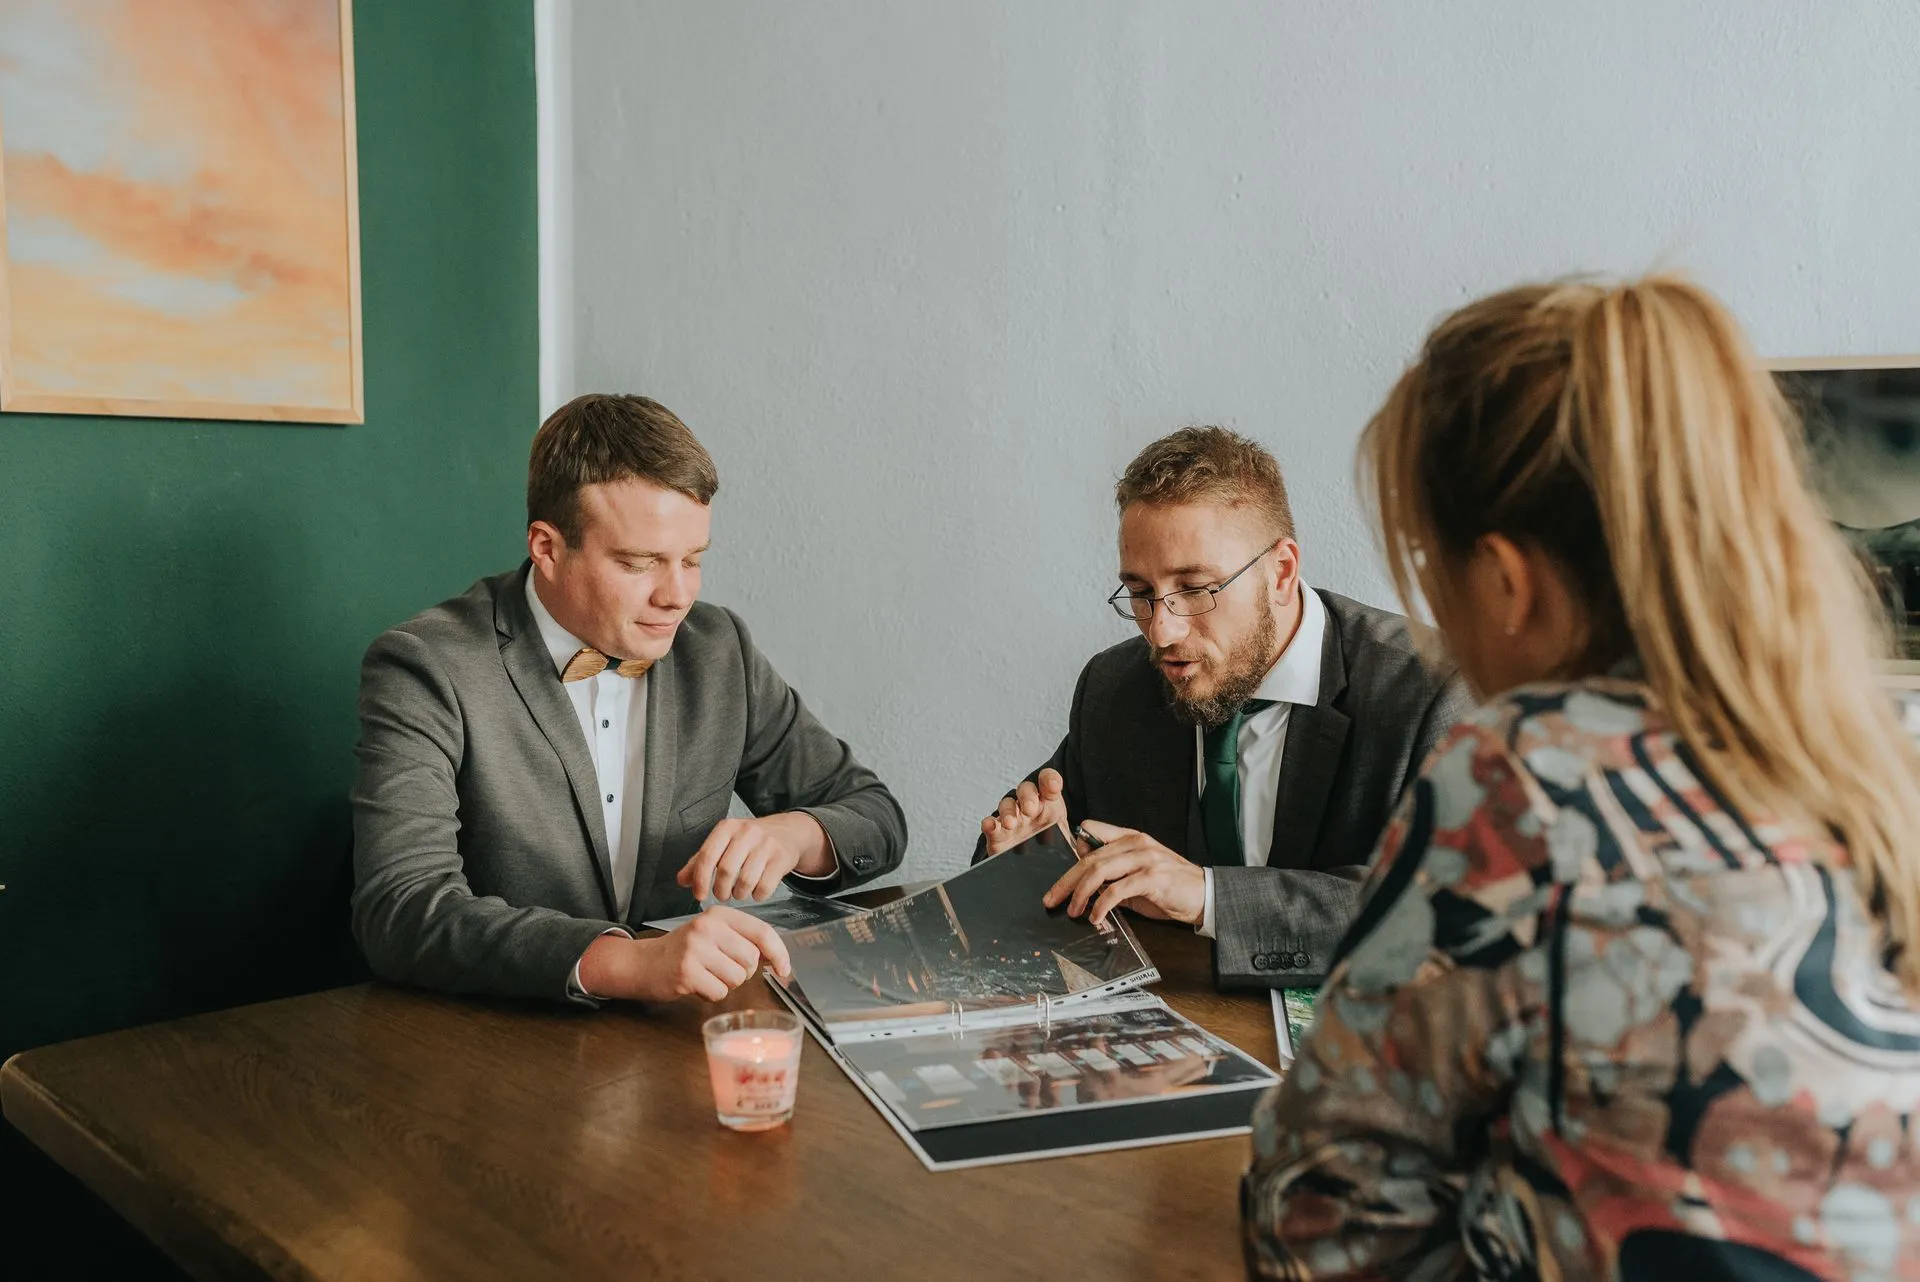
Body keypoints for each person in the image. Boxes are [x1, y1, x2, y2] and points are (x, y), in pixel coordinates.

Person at [1243, 276, 1920, 1279]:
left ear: (1509, 582)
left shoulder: (1528, 770)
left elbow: (1316, 1222)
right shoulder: (1871, 756)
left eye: (1429, 561)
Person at [351, 394, 907, 1005]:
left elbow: (877, 817)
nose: (678, 596)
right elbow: (399, 910)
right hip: (493, 1041)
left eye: (692, 561)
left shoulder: (719, 648)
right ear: (547, 548)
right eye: (641, 563)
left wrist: (796, 834)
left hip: (672, 1037)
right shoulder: (426, 664)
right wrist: (627, 963)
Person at [977, 428, 1470, 988]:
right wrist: (1027, 861)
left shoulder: (1432, 693)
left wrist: (1207, 895)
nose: (1162, 631)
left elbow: (1447, 913)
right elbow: (1027, 849)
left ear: (1281, 572)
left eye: (1195, 588)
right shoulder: (1114, 688)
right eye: (1140, 593)